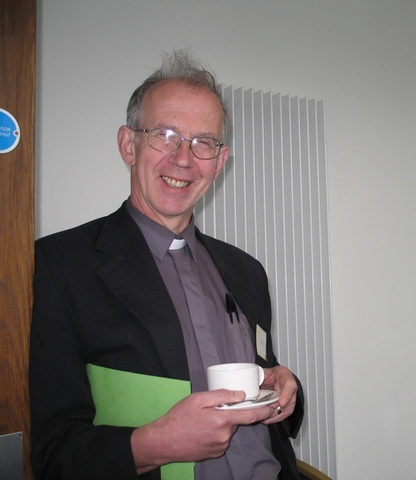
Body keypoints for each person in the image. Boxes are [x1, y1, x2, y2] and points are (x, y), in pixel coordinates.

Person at [29, 50, 304, 480]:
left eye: (203, 143)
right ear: (128, 144)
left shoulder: (247, 271)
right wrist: (155, 445)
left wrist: (286, 391)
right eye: (166, 134)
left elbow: (268, 385)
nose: (183, 158)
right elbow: (50, 452)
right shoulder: (57, 266)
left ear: (219, 162)